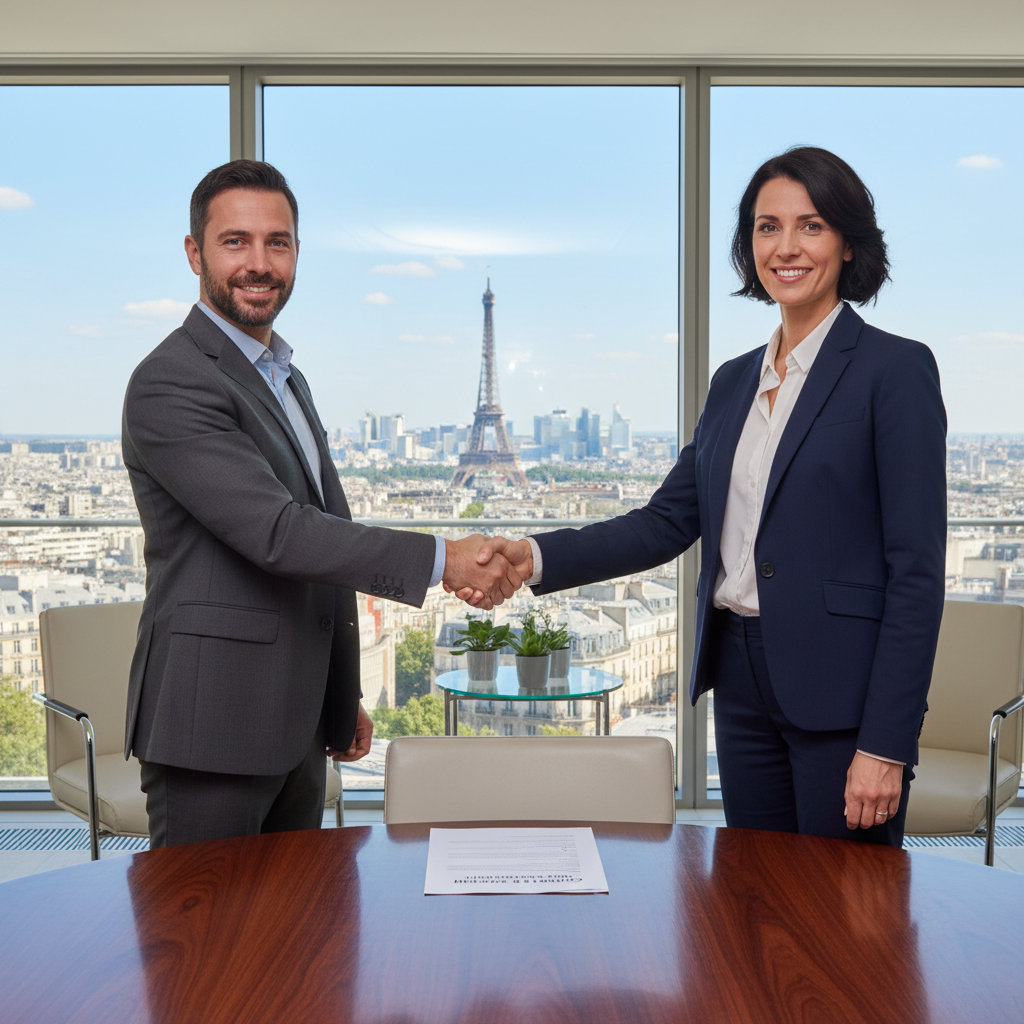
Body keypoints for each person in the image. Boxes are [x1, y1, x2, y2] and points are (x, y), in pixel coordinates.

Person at [470, 147, 946, 846]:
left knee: (847, 919)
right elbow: (665, 522)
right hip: (742, 681)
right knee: (755, 901)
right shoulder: (733, 382)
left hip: (841, 693)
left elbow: (916, 575)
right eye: (766, 226)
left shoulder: (894, 370)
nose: (785, 248)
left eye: (810, 226)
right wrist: (533, 555)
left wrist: (886, 744)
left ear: (848, 243)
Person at [122, 159, 527, 848]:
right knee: (204, 944)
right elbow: (281, 535)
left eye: (277, 242)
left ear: (297, 253)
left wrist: (342, 697)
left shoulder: (285, 378)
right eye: (235, 241)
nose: (259, 262)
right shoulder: (171, 381)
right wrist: (444, 557)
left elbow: (326, 540)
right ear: (194, 252)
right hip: (211, 723)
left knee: (289, 935)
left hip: (296, 721)